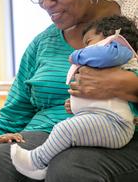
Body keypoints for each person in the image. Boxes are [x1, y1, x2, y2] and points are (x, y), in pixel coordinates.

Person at [0, 0, 138, 181]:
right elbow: (12, 117)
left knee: (69, 167)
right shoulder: (41, 44)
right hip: (40, 137)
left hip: (115, 135)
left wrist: (126, 84)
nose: (46, 3)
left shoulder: (133, 20)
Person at [10, 15, 138, 180]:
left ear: (112, 36)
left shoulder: (121, 53)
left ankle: (37, 160)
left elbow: (106, 55)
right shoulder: (109, 64)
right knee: (66, 130)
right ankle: (40, 166)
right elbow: (102, 101)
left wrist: (77, 56)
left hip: (116, 125)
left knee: (64, 130)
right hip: (107, 121)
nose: (84, 48)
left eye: (88, 42)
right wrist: (76, 104)